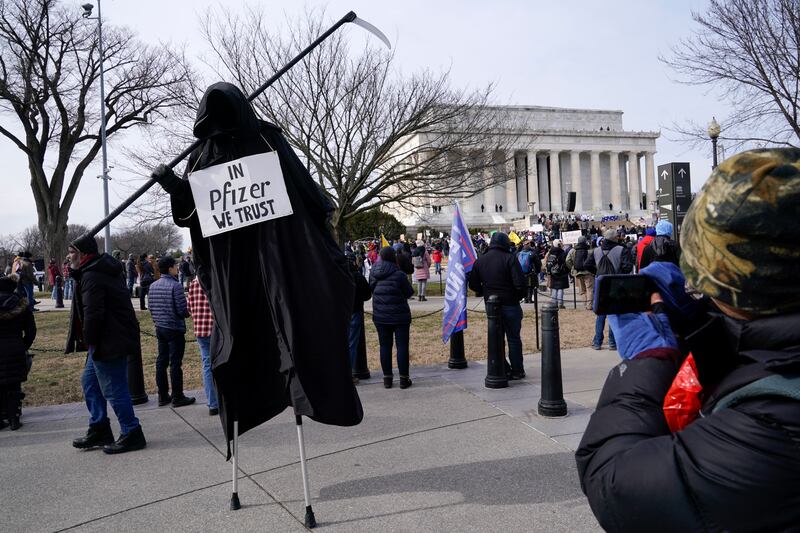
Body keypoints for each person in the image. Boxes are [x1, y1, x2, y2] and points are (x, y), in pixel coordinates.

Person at [576, 148, 800, 531]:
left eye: (704, 283)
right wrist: (696, 319)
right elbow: (762, 353)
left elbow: (615, 482)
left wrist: (650, 360)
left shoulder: (775, 421)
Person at [65, 235, 146, 454]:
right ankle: (99, 428)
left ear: (83, 254)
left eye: (72, 252)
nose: (68, 256)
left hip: (109, 340)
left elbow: (93, 312)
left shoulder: (93, 275)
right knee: (90, 383)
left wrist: (89, 339)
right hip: (103, 340)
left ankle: (132, 432)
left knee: (114, 388)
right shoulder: (92, 271)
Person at [468, 232, 527, 379]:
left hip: (492, 305)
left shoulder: (481, 260)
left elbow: (473, 284)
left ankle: (502, 367)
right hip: (510, 304)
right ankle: (517, 370)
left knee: (497, 338)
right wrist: (516, 297)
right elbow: (520, 284)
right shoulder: (509, 258)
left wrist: (486, 292)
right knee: (513, 338)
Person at [148, 256, 194, 408]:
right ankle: (177, 396)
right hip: (174, 328)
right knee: (175, 363)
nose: (177, 268)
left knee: (161, 361)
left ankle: (162, 395)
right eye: (175, 265)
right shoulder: (176, 286)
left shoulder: (153, 285)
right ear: (170, 268)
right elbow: (182, 310)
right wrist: (188, 313)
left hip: (160, 327)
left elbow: (151, 308)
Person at [369, 246, 414, 389]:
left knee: (384, 346)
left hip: (380, 315)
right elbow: (409, 292)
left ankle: (387, 378)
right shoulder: (399, 274)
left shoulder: (373, 272)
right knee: (401, 346)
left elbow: (371, 290)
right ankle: (403, 378)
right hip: (399, 315)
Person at [584, 228, 633, 350]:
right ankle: (612, 342)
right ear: (614, 238)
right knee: (613, 314)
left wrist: (597, 272)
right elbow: (627, 268)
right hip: (615, 284)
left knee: (600, 315)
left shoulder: (596, 251)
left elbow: (586, 265)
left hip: (600, 283)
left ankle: (597, 342)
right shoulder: (622, 250)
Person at [0, 276, 36, 430]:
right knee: (14, 384)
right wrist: (23, 345)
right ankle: (14, 417)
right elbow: (31, 330)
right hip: (15, 347)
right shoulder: (21, 305)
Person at [187, 277, 218, 415]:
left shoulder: (194, 282)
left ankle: (212, 403)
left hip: (200, 329)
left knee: (207, 366)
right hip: (215, 329)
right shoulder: (214, 280)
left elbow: (189, 307)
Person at [346, 252, 371, 384]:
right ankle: (349, 373)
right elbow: (368, 294)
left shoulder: (339, 274)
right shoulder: (357, 276)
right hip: (355, 311)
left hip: (342, 313)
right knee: (351, 344)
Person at [566, 235, 593, 310]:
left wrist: (572, 267)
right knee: (589, 289)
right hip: (588, 272)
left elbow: (567, 260)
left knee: (582, 290)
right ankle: (589, 305)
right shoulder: (590, 250)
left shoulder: (573, 250)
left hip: (578, 272)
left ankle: (585, 304)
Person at [546, 239, 569, 309]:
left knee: (554, 288)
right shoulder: (562, 252)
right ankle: (560, 303)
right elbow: (566, 262)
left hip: (553, 272)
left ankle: (554, 303)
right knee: (560, 288)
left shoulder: (550, 252)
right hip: (561, 273)